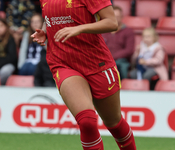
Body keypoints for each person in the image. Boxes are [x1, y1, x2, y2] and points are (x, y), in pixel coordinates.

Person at [32, 0, 137, 150]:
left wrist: (80, 29)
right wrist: (45, 31)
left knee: (114, 123)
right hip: (63, 63)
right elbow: (49, 16)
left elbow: (112, 22)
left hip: (97, 63)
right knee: (87, 121)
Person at [102, 6, 134, 79]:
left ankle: (123, 87)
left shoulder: (128, 31)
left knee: (121, 67)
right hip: (105, 60)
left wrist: (113, 57)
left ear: (122, 17)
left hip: (121, 61)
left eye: (117, 16)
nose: (115, 18)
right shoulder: (103, 31)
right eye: (113, 16)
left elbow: (129, 50)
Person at [0, 18, 17, 85]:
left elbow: (12, 57)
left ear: (6, 27)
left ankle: (3, 88)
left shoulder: (10, 39)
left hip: (7, 64)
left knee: (5, 71)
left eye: (1, 26)